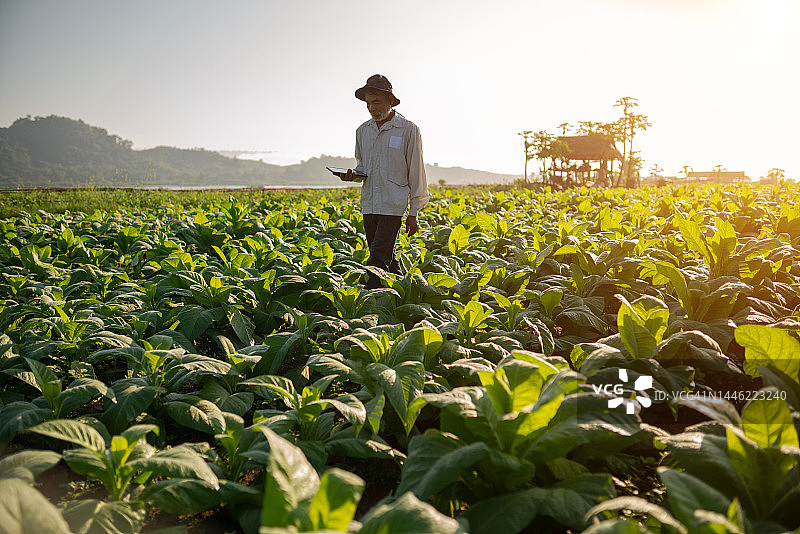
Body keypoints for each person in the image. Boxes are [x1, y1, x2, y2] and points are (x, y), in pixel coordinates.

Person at [345, 74, 429, 289]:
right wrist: (353, 175)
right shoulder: (362, 131)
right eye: (368, 104)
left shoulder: (408, 129)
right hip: (370, 203)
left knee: (376, 261)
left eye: (377, 102)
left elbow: (416, 171)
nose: (372, 108)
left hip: (393, 205)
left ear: (390, 101)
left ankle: (371, 298)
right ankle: (403, 287)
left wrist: (414, 212)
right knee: (385, 256)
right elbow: (363, 167)